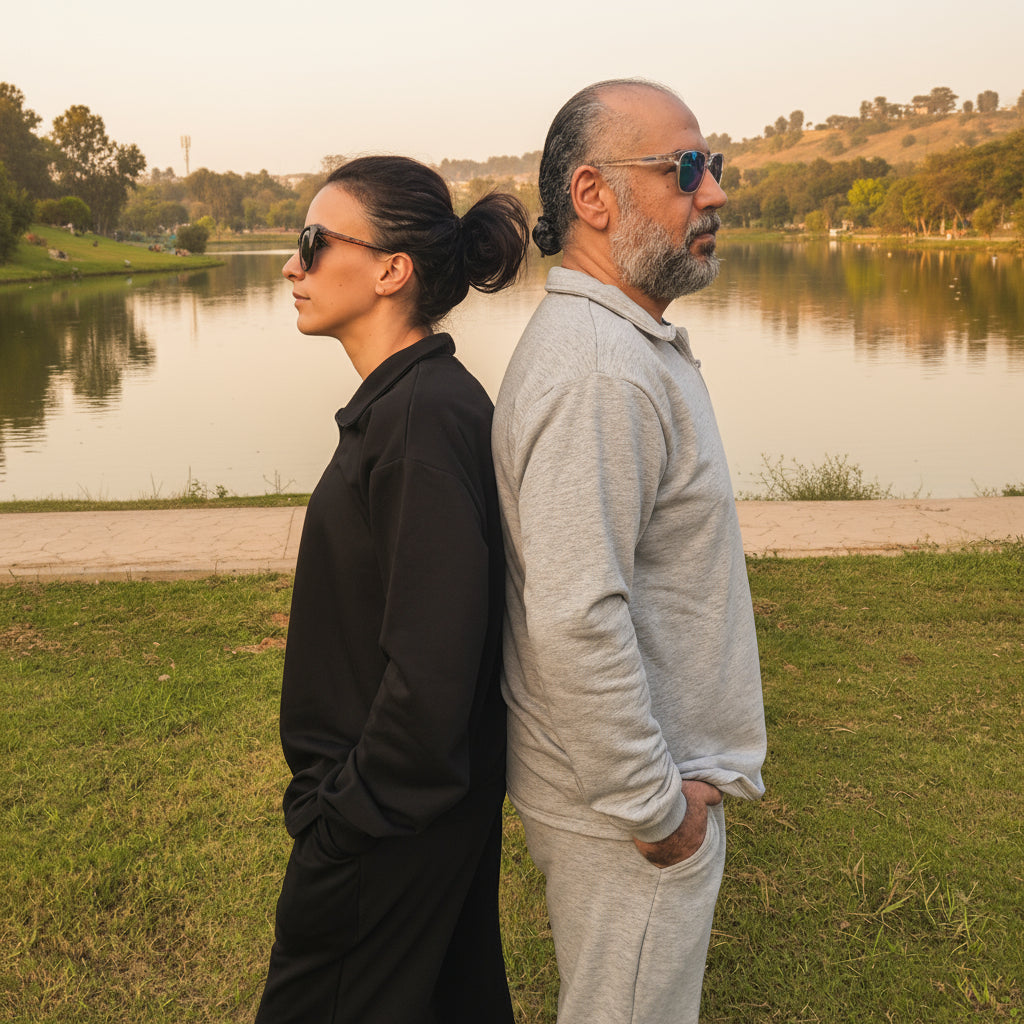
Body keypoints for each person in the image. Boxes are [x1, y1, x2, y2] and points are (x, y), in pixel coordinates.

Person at [491, 79, 768, 1024]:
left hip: (634, 794)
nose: (715, 193)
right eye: (685, 169)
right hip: (632, 814)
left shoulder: (616, 344)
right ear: (594, 197)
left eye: (714, 167)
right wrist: (656, 808)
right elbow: (575, 616)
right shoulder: (602, 372)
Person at [255, 155, 528, 1024]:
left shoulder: (419, 420)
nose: (292, 266)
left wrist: (343, 819)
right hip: (409, 827)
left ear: (389, 270)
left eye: (312, 242)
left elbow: (434, 670)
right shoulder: (410, 405)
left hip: (385, 839)